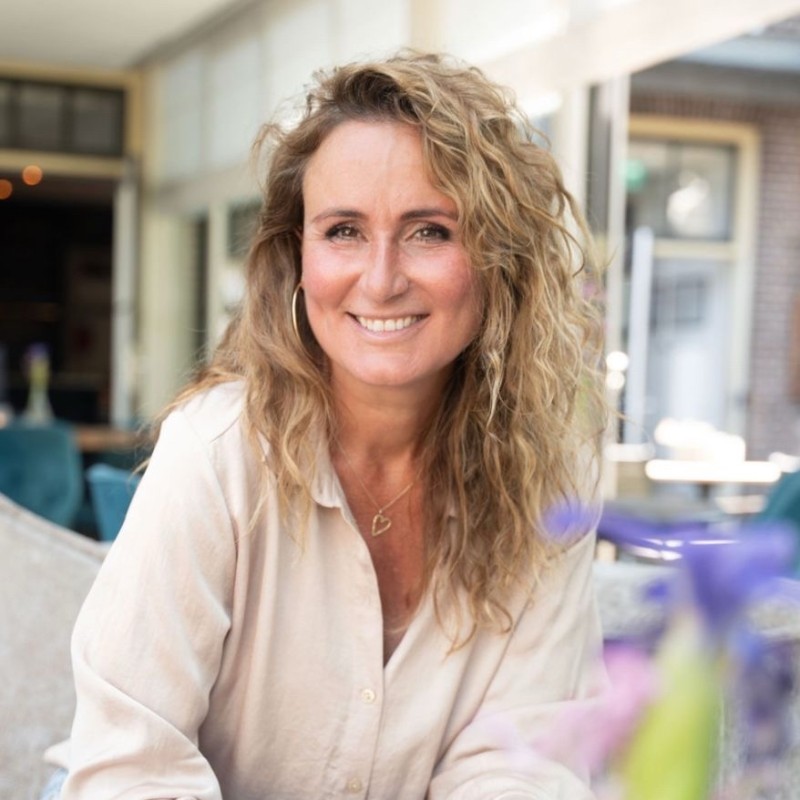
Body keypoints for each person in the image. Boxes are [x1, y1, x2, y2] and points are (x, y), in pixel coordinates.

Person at [50, 51, 607, 799]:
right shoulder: (215, 452)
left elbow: (521, 761)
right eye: (344, 230)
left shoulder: (550, 482)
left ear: (499, 258)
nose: (380, 280)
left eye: (429, 231)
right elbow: (131, 764)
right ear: (297, 257)